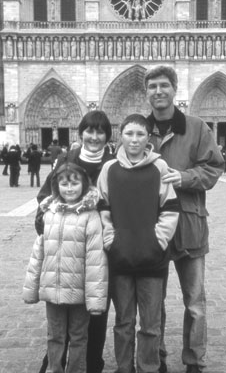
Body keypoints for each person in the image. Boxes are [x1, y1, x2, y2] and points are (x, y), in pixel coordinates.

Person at [144, 65, 224, 373]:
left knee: (194, 302)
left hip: (190, 224)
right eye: (152, 86)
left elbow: (214, 167)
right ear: (146, 92)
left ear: (175, 89)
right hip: (152, 230)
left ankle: (194, 361)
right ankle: (157, 357)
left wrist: (185, 177)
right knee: (153, 303)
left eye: (164, 85)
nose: (158, 91)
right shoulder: (139, 128)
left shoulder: (197, 126)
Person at [97, 113, 179, 373]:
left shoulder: (160, 167)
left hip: (153, 259)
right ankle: (124, 369)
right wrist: (111, 240)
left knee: (151, 325)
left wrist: (158, 241)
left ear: (148, 138)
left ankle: (149, 368)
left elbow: (170, 208)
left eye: (140, 134)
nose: (134, 139)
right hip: (120, 258)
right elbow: (103, 208)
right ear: (120, 135)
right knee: (123, 322)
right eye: (129, 133)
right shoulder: (109, 169)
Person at [35, 110, 114, 373]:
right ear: (80, 133)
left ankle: (91, 365)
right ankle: (54, 363)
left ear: (107, 136)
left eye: (100, 131)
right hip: (66, 252)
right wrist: (43, 222)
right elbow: (47, 195)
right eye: (89, 131)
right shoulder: (65, 159)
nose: (94, 136)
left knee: (96, 314)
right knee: (60, 317)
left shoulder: (113, 164)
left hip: (98, 254)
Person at [23, 162, 108, 373]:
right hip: (53, 288)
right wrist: (31, 288)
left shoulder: (91, 216)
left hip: (79, 291)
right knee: (54, 336)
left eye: (74, 183)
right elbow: (38, 254)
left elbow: (96, 258)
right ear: (56, 186)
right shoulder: (49, 213)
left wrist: (96, 297)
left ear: (84, 185)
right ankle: (54, 369)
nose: (69, 188)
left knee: (79, 337)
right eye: (64, 184)